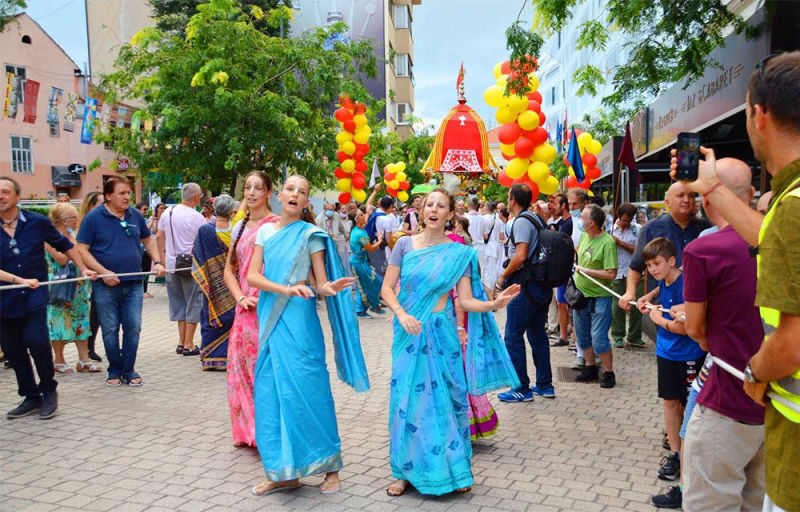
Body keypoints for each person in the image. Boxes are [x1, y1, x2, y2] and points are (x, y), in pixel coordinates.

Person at [671, 52, 800, 512]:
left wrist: (754, 372)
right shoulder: (787, 203)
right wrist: (711, 187)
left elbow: (793, 341)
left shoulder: (792, 207)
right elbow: (769, 240)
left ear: (758, 114)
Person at [380, 188, 520, 497]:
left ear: (449, 214)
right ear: (420, 210)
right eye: (429, 204)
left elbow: (467, 301)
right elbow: (387, 289)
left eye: (440, 205)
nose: (433, 209)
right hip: (409, 331)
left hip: (442, 333)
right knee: (406, 402)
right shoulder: (404, 245)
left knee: (449, 399)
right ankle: (402, 472)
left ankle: (455, 471)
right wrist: (401, 314)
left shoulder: (461, 254)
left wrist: (494, 306)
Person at [248, 175, 368, 496]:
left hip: (301, 326)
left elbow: (320, 283)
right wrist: (286, 288)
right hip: (271, 322)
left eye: (302, 192)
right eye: (290, 189)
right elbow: (252, 276)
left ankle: (330, 466)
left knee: (310, 391)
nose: (295, 194)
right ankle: (283, 472)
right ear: (280, 196)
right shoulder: (264, 231)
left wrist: (327, 288)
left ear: (306, 203)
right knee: (271, 393)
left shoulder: (311, 235)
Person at [663, 158, 765, 511]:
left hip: (725, 398)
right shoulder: (783, 242)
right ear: (751, 194)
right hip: (778, 404)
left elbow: (696, 329)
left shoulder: (703, 250)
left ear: (705, 200)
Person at [1, 177, 95, 419]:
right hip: (5, 299)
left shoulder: (37, 222)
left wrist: (82, 267)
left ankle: (49, 390)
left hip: (35, 294)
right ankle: (31, 396)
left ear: (17, 196)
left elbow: (65, 245)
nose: (0, 196)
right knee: (13, 349)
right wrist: (18, 280)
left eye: (5, 192)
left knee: (38, 341)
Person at [76, 176, 165, 387]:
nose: (127, 197)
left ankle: (129, 369)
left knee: (133, 327)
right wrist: (104, 272)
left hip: (134, 283)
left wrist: (158, 261)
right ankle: (114, 368)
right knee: (110, 328)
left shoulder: (134, 214)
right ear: (108, 196)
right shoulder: (94, 218)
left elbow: (147, 240)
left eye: (128, 193)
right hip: (105, 285)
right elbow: (82, 249)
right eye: (122, 193)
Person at [637, 237, 705, 484]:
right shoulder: (664, 279)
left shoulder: (688, 283)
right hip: (665, 352)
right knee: (669, 402)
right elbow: (661, 286)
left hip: (689, 355)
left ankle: (691, 455)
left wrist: (658, 320)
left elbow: (686, 328)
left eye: (657, 263)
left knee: (689, 406)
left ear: (672, 261)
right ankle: (676, 454)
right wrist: (649, 298)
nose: (652, 269)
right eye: (649, 265)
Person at [223, 171, 280, 447]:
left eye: (258, 188)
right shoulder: (240, 228)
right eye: (248, 187)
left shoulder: (278, 226)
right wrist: (239, 298)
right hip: (244, 310)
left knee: (264, 371)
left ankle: (265, 432)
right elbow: (229, 271)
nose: (252, 192)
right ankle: (246, 432)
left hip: (269, 307)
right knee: (240, 371)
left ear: (270, 192)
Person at [497, 184, 555, 402]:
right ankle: (544, 385)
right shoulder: (537, 219)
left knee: (512, 336)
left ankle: (521, 387)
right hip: (540, 286)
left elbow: (521, 256)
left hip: (525, 287)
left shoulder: (521, 221)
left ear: (513, 200)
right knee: (537, 334)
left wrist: (503, 276)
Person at [618, 182, 710, 314]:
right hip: (662, 305)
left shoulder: (705, 229)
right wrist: (630, 293)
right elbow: (635, 266)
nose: (686, 200)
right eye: (680, 195)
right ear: (667, 202)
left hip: (697, 303)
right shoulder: (650, 229)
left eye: (691, 196)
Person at [45, 203, 100, 374]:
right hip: (59, 284)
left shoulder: (74, 236)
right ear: (64, 221)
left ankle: (84, 359)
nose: (77, 221)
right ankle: (58, 359)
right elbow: (61, 259)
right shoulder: (49, 238)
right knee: (58, 321)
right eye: (74, 217)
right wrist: (73, 243)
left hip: (78, 284)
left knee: (81, 319)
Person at [572, 203, 618, 388]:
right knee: (582, 336)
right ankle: (590, 367)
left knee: (598, 337)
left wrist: (587, 271)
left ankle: (608, 372)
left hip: (600, 297)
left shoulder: (608, 242)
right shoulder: (583, 237)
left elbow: (611, 273)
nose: (580, 220)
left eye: (583, 217)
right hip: (580, 295)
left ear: (591, 223)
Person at [158, 183, 206, 356]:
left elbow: (159, 237)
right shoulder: (197, 217)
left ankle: (180, 341)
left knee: (179, 303)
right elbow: (201, 242)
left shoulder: (167, 213)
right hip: (190, 265)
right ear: (195, 197)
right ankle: (189, 343)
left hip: (171, 265)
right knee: (193, 302)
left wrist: (162, 261)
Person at [191, 194, 237, 371]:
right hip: (233, 281)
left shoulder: (205, 230)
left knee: (210, 315)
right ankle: (229, 356)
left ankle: (210, 359)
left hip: (211, 282)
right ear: (231, 210)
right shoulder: (236, 229)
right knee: (232, 317)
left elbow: (198, 256)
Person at [610, 203, 643, 348]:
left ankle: (634, 336)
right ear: (619, 217)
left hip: (634, 272)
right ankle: (618, 335)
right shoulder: (609, 229)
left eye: (629, 220)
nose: (626, 223)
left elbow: (640, 251)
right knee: (617, 308)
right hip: (617, 273)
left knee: (636, 306)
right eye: (624, 220)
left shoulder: (637, 230)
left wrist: (621, 243)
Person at [79, 191, 104, 362]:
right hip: (88, 274)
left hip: (100, 272)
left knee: (99, 313)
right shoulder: (86, 224)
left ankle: (91, 346)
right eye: (100, 203)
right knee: (92, 313)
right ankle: (87, 348)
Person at [348, 209, 384, 317]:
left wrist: (374, 193)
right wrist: (380, 240)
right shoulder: (359, 233)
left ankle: (372, 304)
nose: (364, 216)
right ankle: (360, 309)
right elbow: (371, 249)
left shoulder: (359, 228)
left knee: (373, 282)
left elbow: (367, 215)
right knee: (364, 285)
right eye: (361, 215)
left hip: (361, 261)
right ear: (356, 219)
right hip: (357, 263)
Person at [550, 193, 573, 348]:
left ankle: (570, 336)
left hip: (568, 270)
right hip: (561, 268)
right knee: (561, 304)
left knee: (568, 304)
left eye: (556, 203)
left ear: (563, 205)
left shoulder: (571, 223)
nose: (554, 206)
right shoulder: (562, 223)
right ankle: (563, 335)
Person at [316, 202, 349, 276]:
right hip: (324, 244)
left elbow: (341, 226)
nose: (330, 211)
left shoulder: (336, 215)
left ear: (334, 209)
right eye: (328, 209)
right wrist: (327, 235)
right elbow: (318, 232)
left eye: (332, 209)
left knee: (335, 261)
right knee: (325, 262)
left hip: (335, 243)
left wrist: (345, 234)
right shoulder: (319, 219)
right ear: (324, 209)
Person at [482, 201, 504, 291]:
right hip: (494, 248)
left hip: (483, 247)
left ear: (486, 208)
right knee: (492, 271)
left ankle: (485, 291)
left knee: (484, 270)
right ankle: (491, 291)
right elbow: (501, 236)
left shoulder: (482, 219)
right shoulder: (498, 221)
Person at [135, 202, 153, 298]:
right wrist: (151, 222)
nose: (146, 211)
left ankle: (145, 290)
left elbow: (152, 233)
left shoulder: (146, 220)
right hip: (139, 249)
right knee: (140, 270)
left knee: (146, 270)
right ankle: (140, 291)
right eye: (144, 209)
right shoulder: (135, 220)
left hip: (147, 250)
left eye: (147, 209)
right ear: (138, 210)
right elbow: (143, 232)